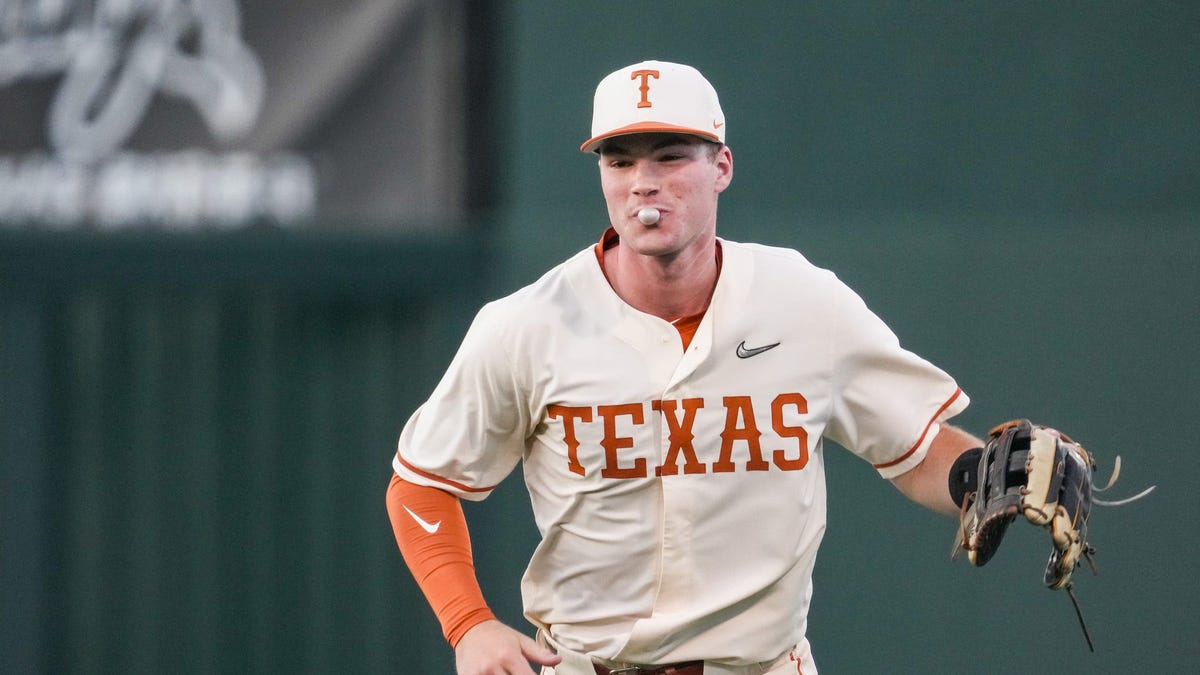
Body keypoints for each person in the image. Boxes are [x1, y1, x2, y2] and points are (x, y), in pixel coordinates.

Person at [386, 60, 986, 675]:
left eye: (670, 157)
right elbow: (422, 482)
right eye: (619, 162)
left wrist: (983, 477)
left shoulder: (804, 301)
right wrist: (468, 624)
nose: (643, 182)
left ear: (721, 167)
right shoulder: (528, 325)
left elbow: (916, 448)